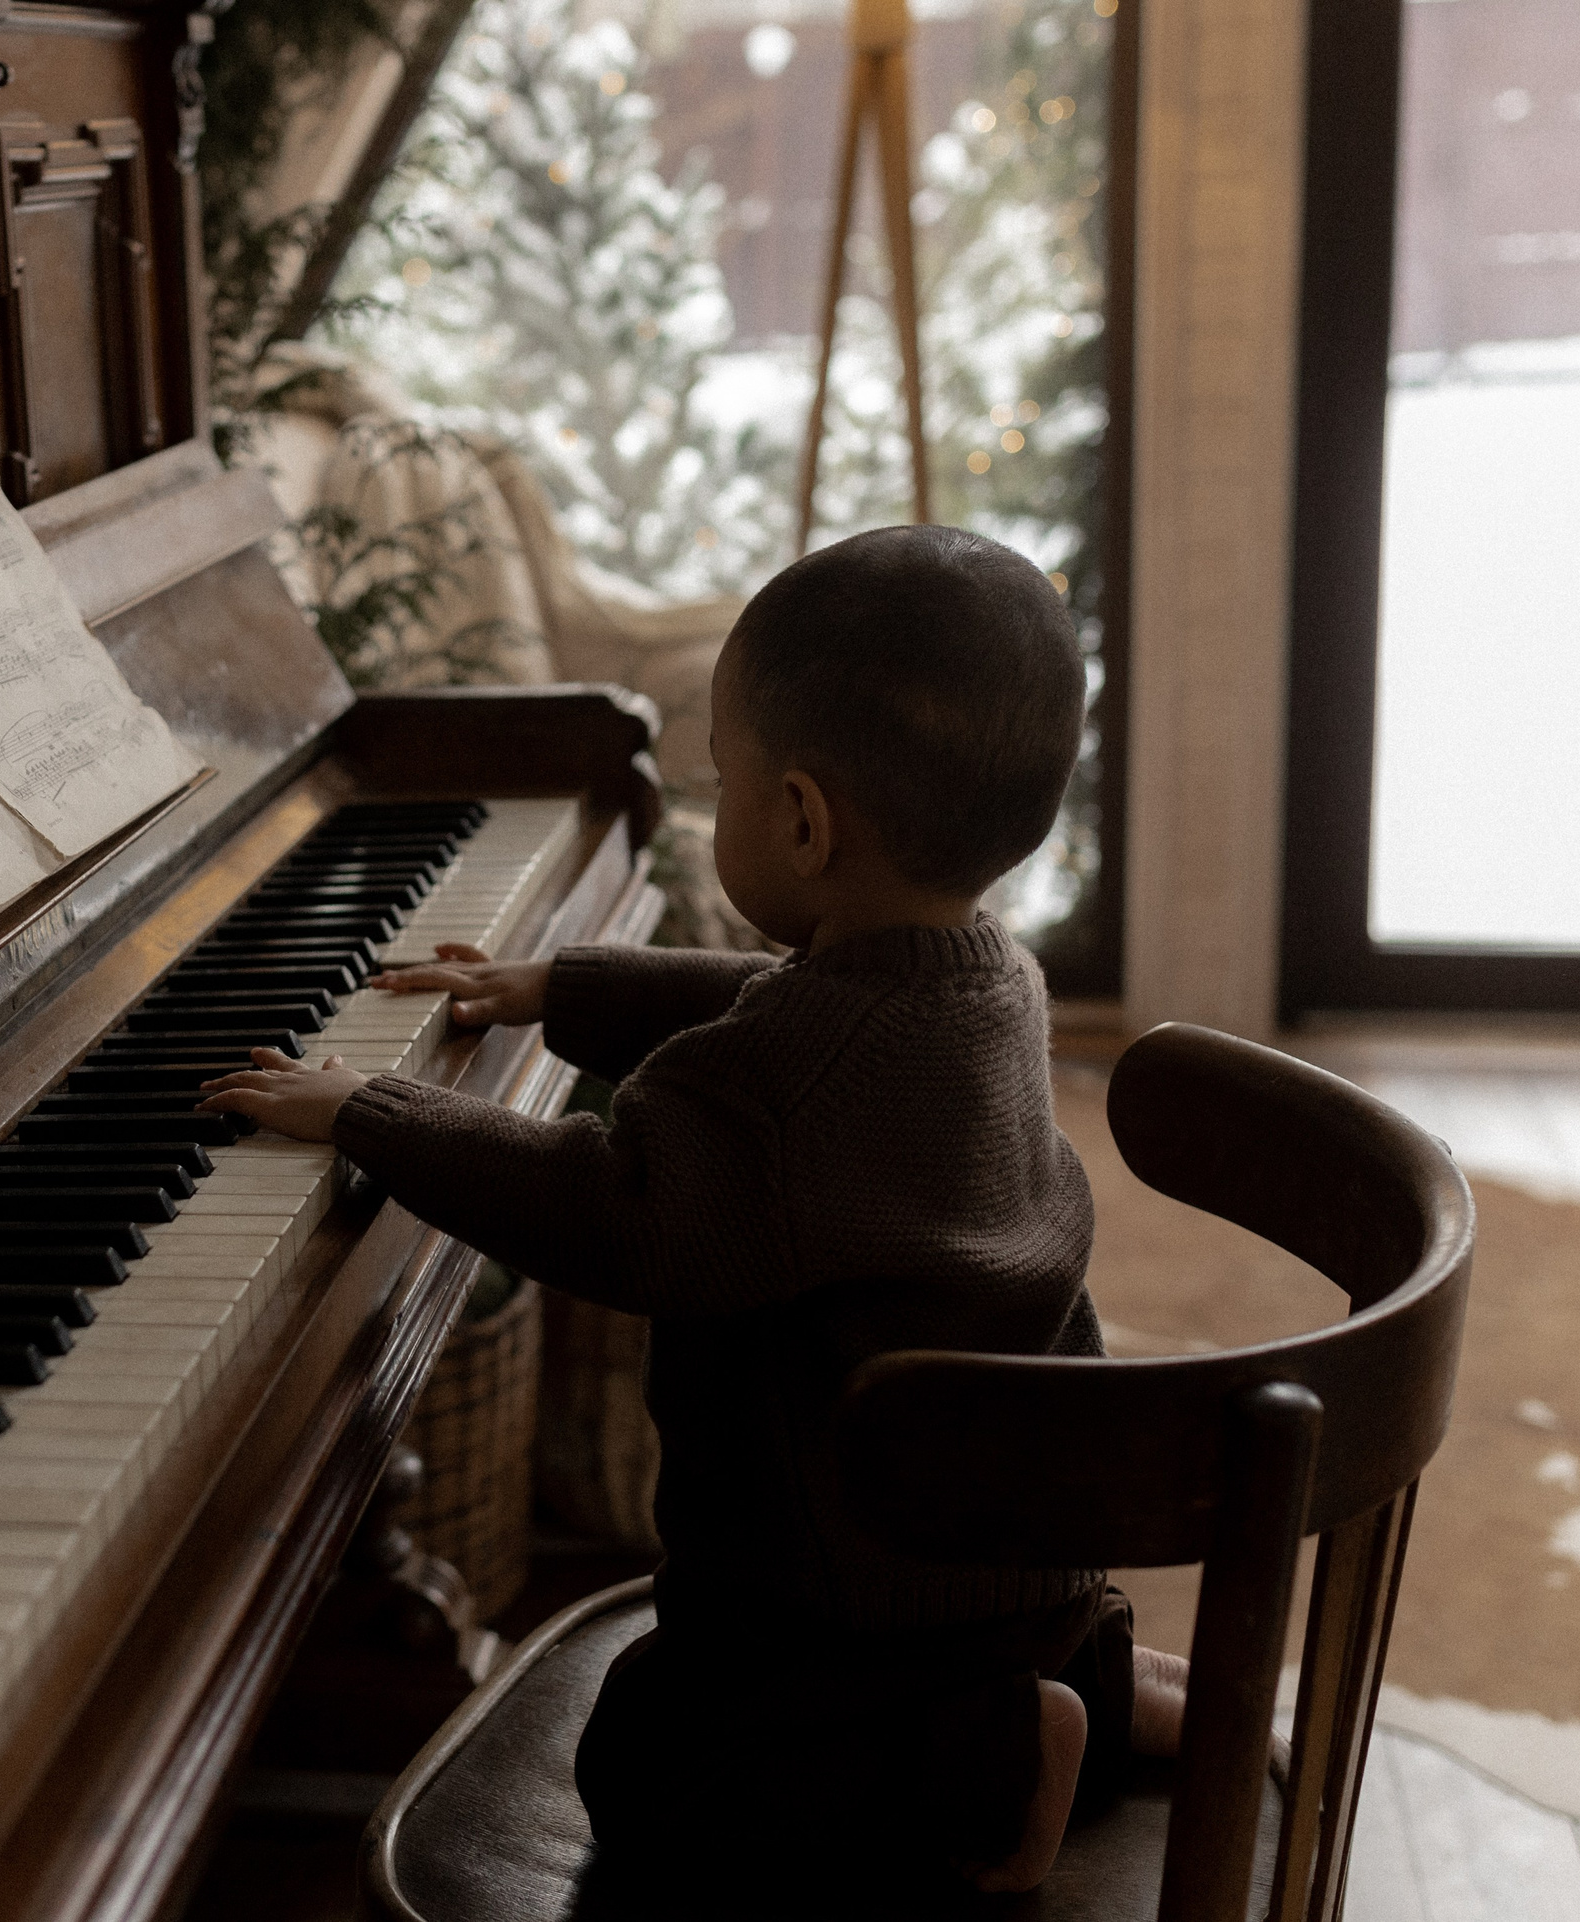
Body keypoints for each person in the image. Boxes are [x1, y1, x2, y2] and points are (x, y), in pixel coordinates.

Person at [200, 525, 1190, 1906]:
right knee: (1011, 1630)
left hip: (840, 1621)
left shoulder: (790, 1081)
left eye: (723, 782)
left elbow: (615, 1208)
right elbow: (763, 1006)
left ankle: (985, 1757)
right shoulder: (986, 981)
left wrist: (374, 1110)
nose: (714, 808)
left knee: (648, 1755)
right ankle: (1096, 1672)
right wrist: (561, 986)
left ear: (800, 820)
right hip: (1005, 1558)